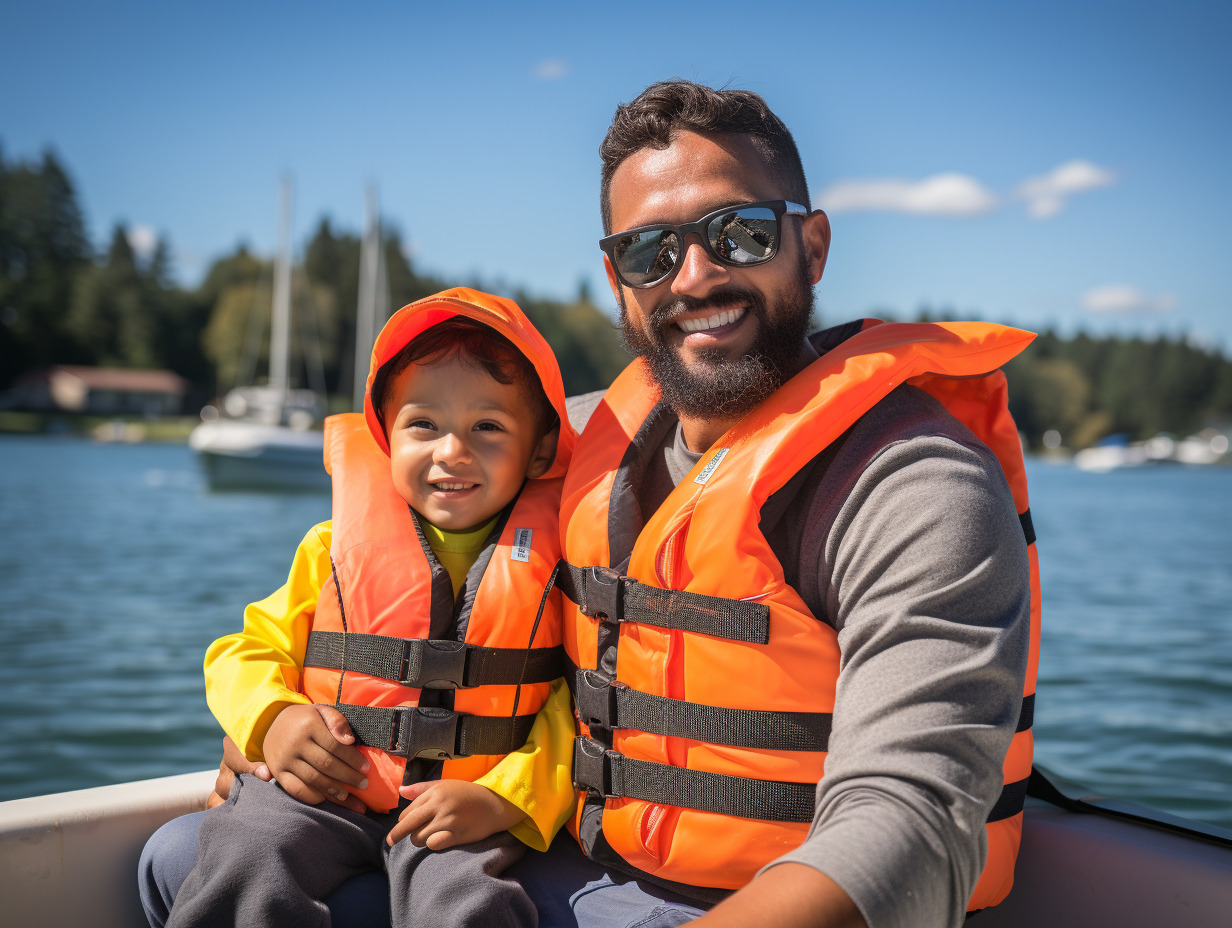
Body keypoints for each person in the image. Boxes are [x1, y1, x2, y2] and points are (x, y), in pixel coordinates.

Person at [142, 81, 1038, 928]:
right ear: (619, 283)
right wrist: (273, 722)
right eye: (649, 252)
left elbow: (911, 825)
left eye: (740, 234)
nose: (692, 278)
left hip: (751, 894)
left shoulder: (915, 483)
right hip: (573, 857)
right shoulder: (563, 448)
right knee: (185, 857)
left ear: (812, 247)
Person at [161, 287, 579, 928]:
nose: (451, 452)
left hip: (461, 809)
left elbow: (572, 707)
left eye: (487, 427)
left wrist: (506, 800)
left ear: (542, 448)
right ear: (385, 436)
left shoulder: (565, 570)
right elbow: (245, 650)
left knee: (466, 905)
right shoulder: (330, 547)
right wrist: (272, 719)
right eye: (424, 424)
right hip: (325, 792)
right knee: (248, 850)